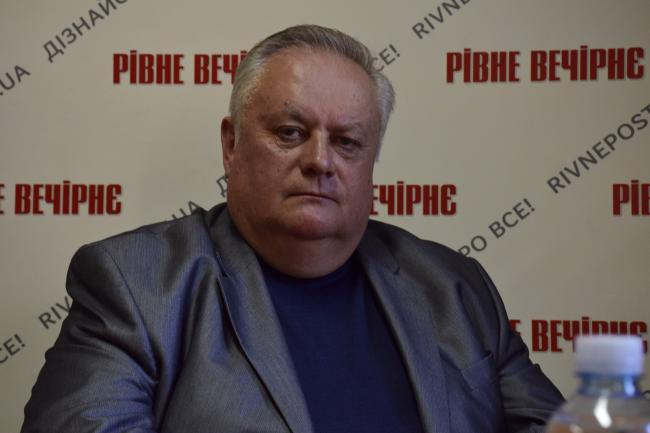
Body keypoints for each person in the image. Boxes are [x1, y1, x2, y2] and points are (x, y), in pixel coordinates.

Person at [22, 24, 563, 433]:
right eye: (289, 132)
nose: (320, 161)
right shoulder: (136, 286)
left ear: (370, 161)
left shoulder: (454, 285)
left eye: (346, 142)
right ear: (231, 145)